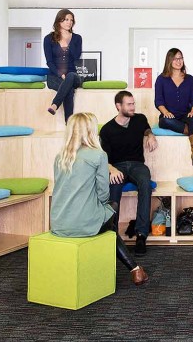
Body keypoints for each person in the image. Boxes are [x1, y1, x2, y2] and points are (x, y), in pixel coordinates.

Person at [50, 112, 149, 286]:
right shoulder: (98, 155)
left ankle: (135, 269)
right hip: (84, 223)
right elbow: (104, 195)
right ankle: (134, 269)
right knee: (112, 208)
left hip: (59, 223)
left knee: (105, 217)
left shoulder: (60, 157)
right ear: (90, 131)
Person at [99, 90, 157, 256]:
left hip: (138, 165)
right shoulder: (107, 130)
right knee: (114, 185)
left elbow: (146, 129)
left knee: (145, 183)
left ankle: (141, 235)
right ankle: (113, 234)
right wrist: (111, 169)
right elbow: (104, 158)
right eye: (129, 104)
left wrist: (151, 135)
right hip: (117, 166)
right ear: (119, 106)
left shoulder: (139, 119)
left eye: (133, 104)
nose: (133, 107)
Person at [154, 48, 193, 165]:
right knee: (165, 121)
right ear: (169, 61)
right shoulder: (161, 79)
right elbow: (158, 100)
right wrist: (165, 112)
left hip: (184, 114)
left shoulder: (190, 79)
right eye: (175, 58)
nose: (178, 61)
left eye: (180, 58)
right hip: (168, 116)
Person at [44, 8, 83, 122]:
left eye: (71, 20)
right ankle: (69, 125)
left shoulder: (77, 38)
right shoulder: (48, 39)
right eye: (66, 19)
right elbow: (49, 61)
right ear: (59, 21)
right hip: (54, 77)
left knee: (70, 76)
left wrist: (66, 42)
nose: (69, 22)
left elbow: (76, 57)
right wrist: (60, 74)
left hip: (73, 75)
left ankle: (55, 104)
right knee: (69, 90)